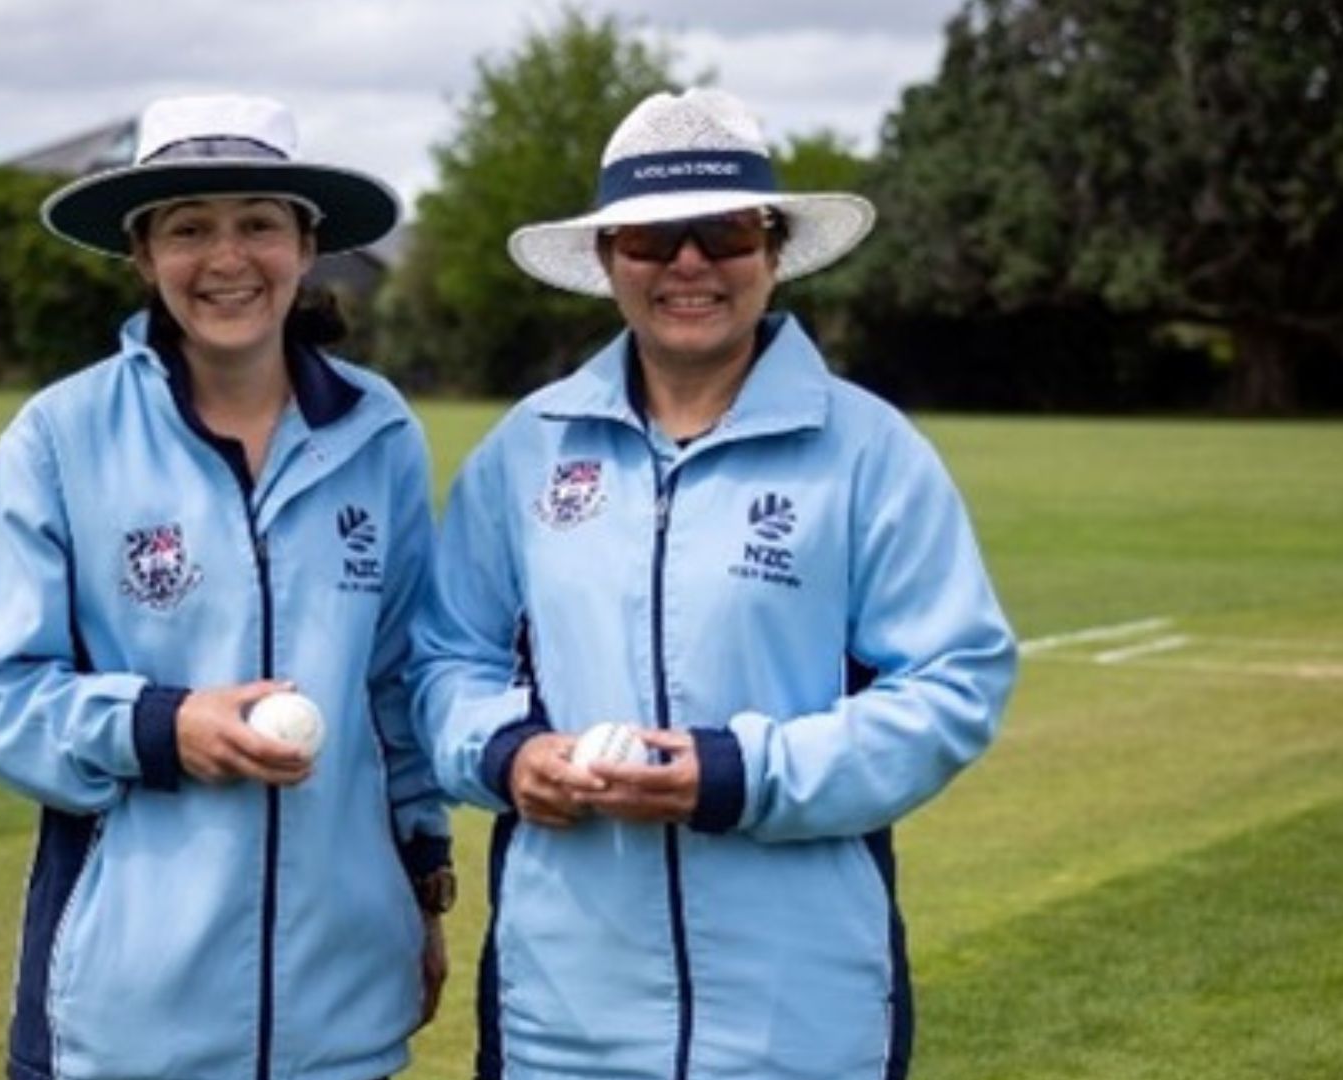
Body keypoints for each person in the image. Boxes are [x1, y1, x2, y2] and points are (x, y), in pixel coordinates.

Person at [412, 88, 1017, 1079]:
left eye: (724, 230)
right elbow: (444, 659)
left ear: (771, 250)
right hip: (563, 1018)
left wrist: (740, 773)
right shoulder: (527, 451)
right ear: (609, 261)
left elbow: (955, 685)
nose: (689, 262)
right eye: (652, 238)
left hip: (802, 1014)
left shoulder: (868, 451)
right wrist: (509, 754)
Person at [0, 93, 454, 1080]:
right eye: (189, 228)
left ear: (305, 244)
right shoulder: (61, 436)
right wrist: (161, 728)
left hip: (341, 1018)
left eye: (259, 222)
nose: (226, 259)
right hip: (128, 1025)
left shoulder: (379, 434)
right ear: (141, 255)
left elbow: (397, 692)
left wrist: (424, 884)